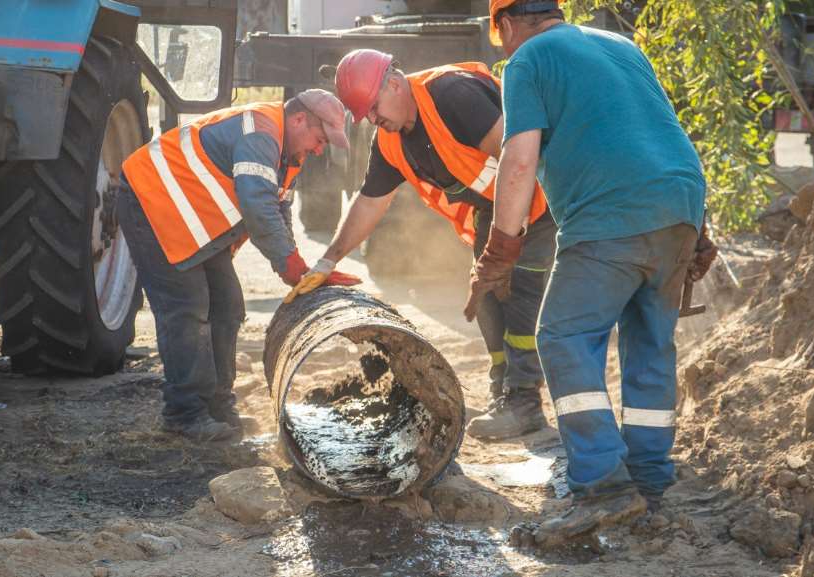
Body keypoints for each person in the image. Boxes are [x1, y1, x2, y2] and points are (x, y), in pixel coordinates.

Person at [466, 0, 718, 547]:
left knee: (563, 335)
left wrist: (500, 251)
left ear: (506, 25)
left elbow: (519, 157)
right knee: (650, 344)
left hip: (610, 216)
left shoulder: (527, 60)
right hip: (680, 204)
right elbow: (662, 130)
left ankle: (603, 485)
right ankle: (650, 482)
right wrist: (698, 228)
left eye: (501, 36)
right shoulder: (622, 47)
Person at [286, 49, 556, 440]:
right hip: (497, 213)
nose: (374, 120)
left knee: (522, 295)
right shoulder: (391, 142)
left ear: (394, 83)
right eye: (366, 115)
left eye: (374, 108)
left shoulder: (452, 94)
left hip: (542, 201)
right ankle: (504, 388)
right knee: (486, 299)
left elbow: (518, 156)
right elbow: (369, 202)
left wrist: (513, 237)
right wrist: (328, 260)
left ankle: (525, 401)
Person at [118, 90, 360, 442]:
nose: (320, 149)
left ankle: (217, 403)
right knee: (187, 308)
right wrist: (290, 265)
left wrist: (294, 266)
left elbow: (278, 208)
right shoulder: (260, 133)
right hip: (150, 202)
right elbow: (257, 204)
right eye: (320, 139)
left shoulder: (287, 152)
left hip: (191, 218)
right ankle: (185, 413)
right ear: (298, 120)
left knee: (228, 305)